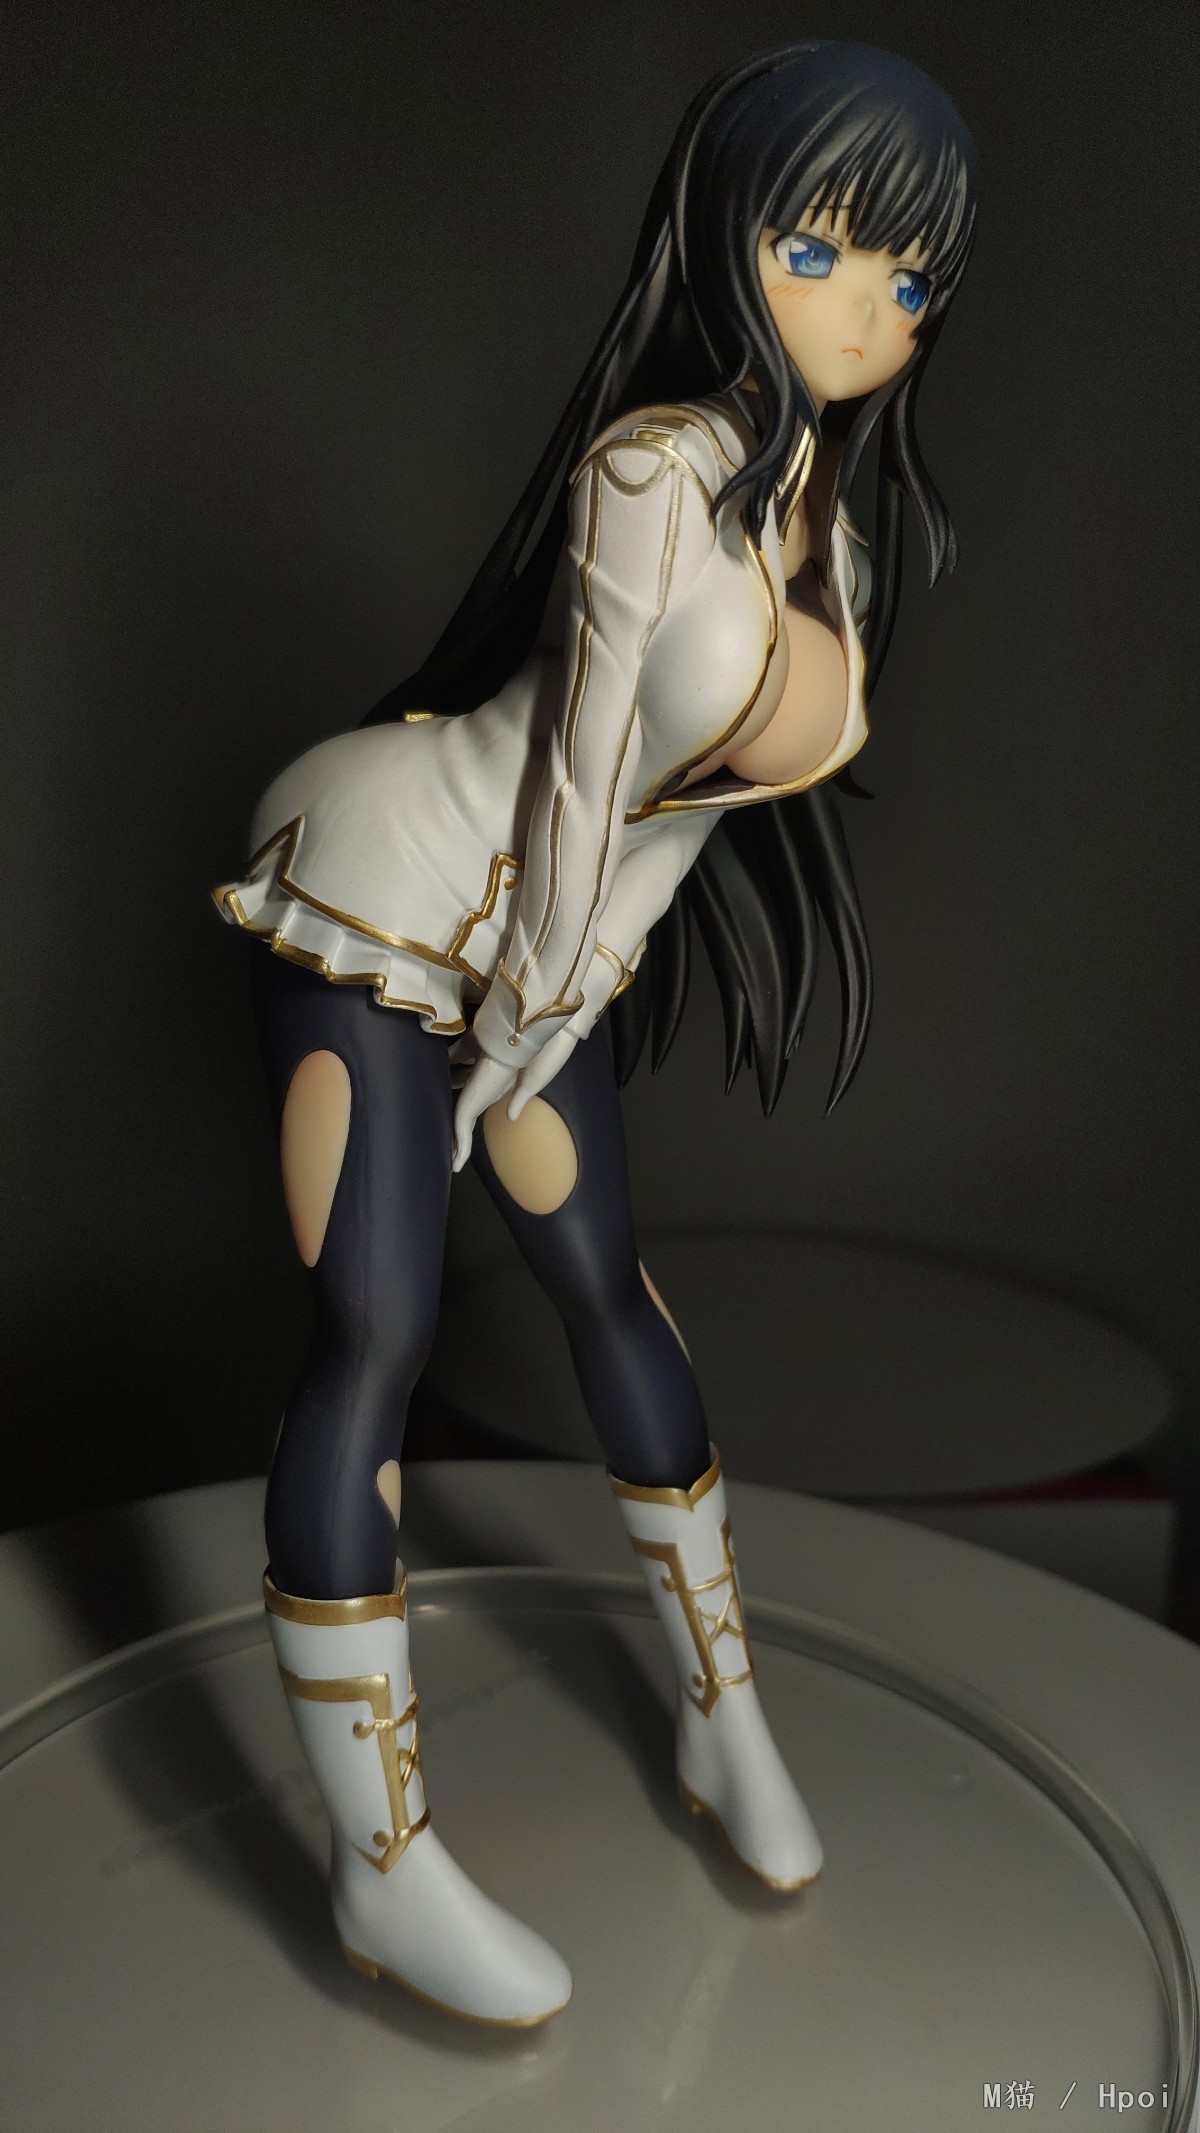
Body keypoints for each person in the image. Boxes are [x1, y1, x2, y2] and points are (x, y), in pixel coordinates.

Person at [215, 39, 978, 2024]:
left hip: (549, 962)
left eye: (909, 278)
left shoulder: (831, 535)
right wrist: (509, 1008)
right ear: (731, 233)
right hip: (388, 895)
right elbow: (568, 775)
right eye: (821, 249)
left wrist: (557, 1009)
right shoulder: (648, 471)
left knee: (606, 1287)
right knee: (377, 1326)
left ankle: (726, 1713)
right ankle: (381, 1858)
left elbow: (677, 827)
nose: (866, 310)